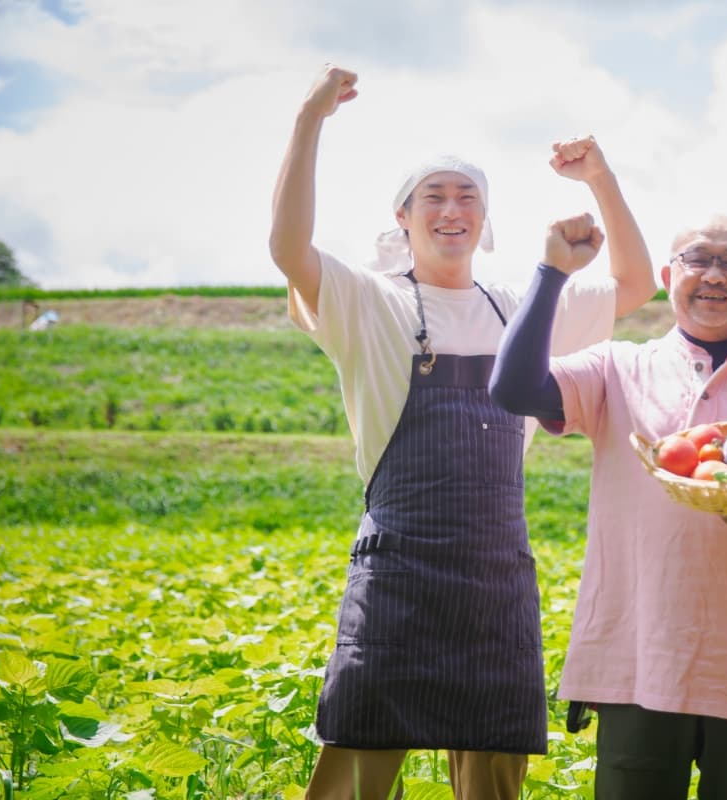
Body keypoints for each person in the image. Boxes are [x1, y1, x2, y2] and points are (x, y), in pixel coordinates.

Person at [268, 63, 656, 800]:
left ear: (485, 219)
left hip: (493, 580)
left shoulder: (520, 307)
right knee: (356, 771)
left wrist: (599, 178)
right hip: (397, 575)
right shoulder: (368, 303)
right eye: (432, 197)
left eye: (467, 197)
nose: (451, 210)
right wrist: (309, 119)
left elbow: (635, 284)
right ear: (404, 218)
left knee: (492, 779)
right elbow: (289, 250)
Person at [489, 214, 727, 799]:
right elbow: (512, 389)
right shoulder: (616, 367)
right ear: (668, 277)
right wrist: (554, 271)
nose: (714, 274)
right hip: (639, 662)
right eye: (697, 260)